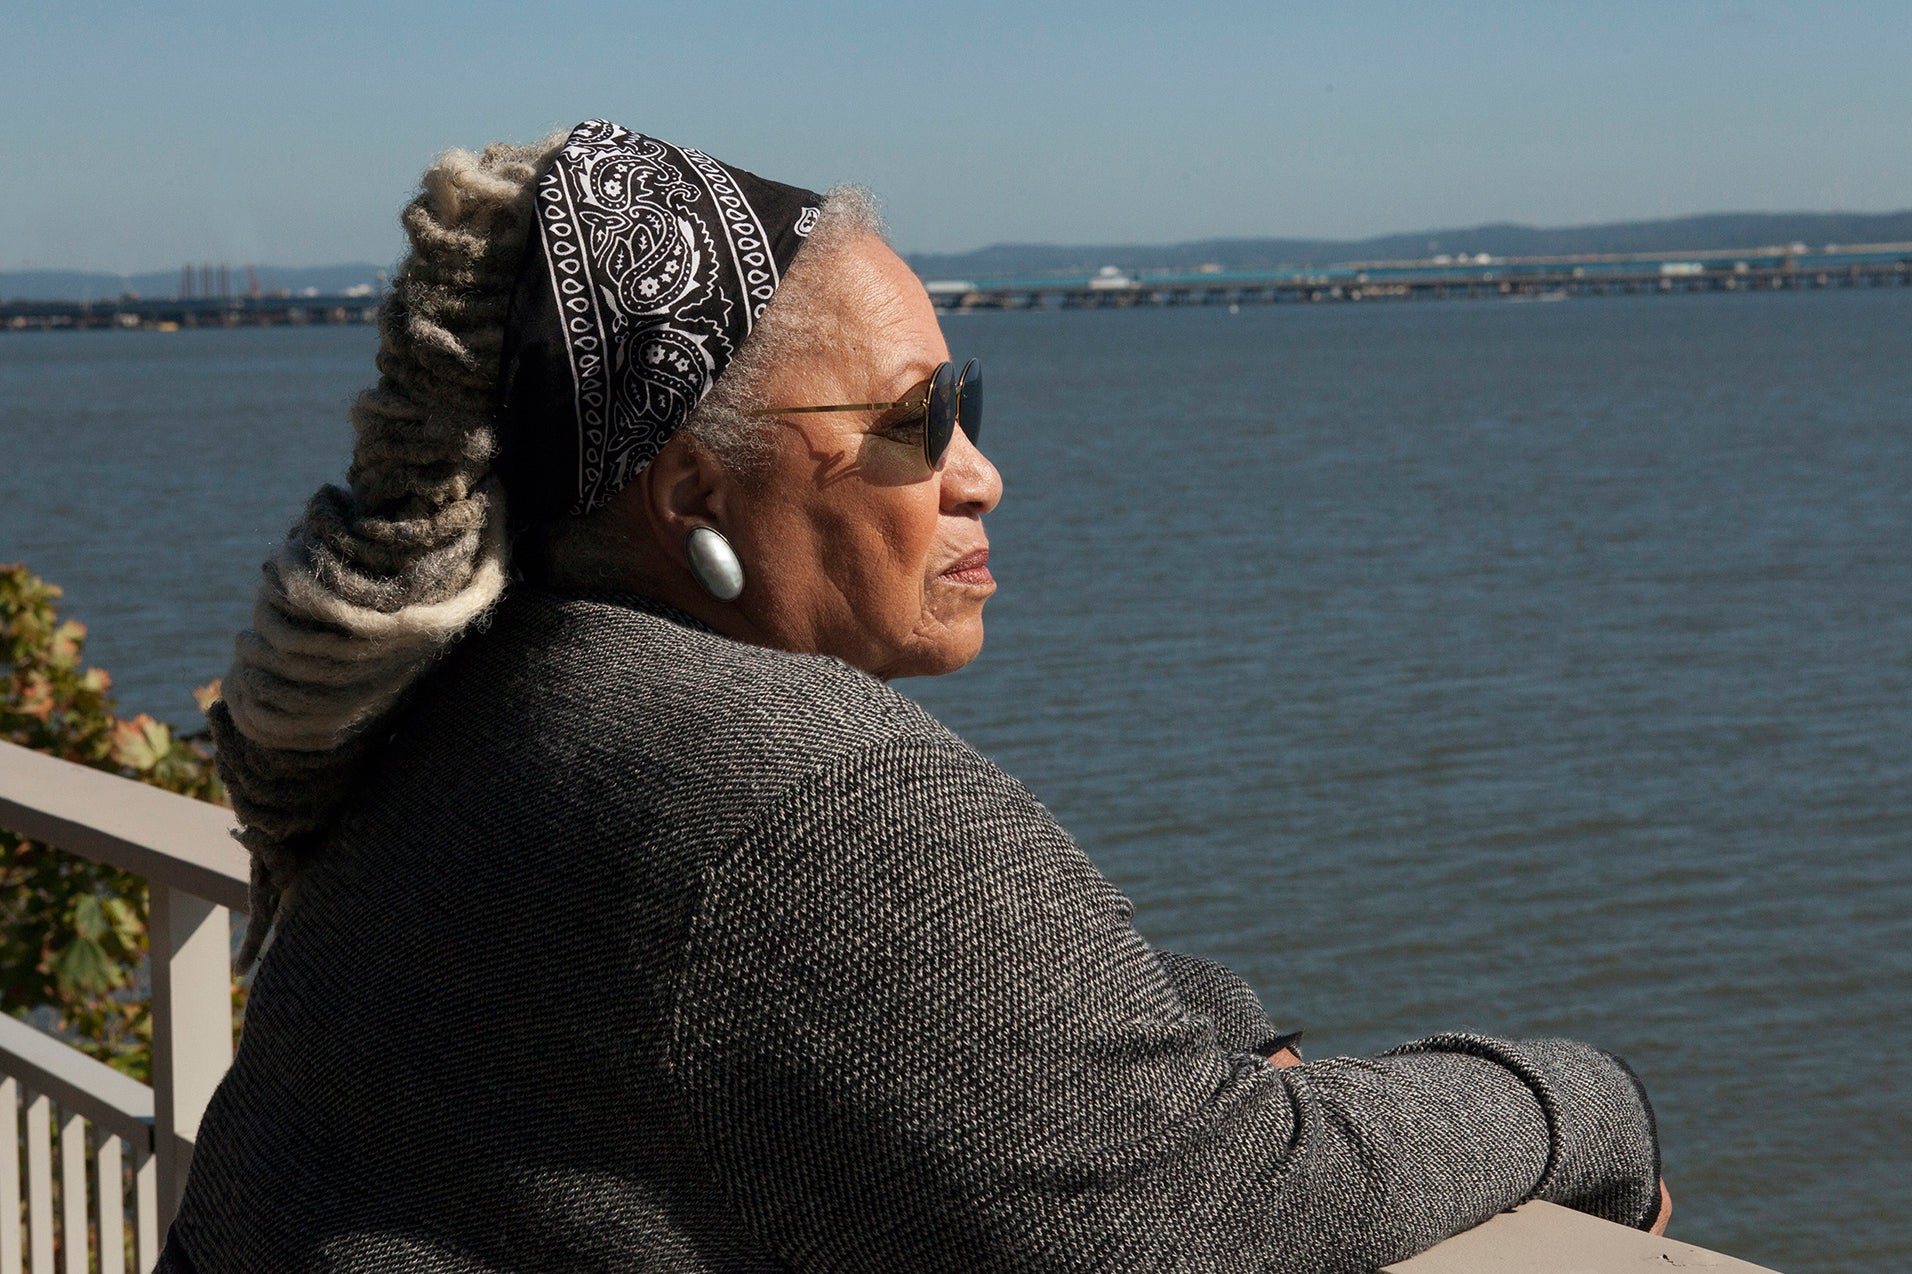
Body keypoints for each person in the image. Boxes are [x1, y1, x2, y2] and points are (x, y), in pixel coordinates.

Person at [163, 120, 1667, 1273]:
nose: (979, 472)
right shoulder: (804, 797)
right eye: (916, 421)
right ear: (692, 484)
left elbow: (846, 1035)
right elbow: (1221, 1212)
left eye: (970, 405)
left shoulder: (477, 699)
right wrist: (1581, 1102)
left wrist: (1189, 1015)